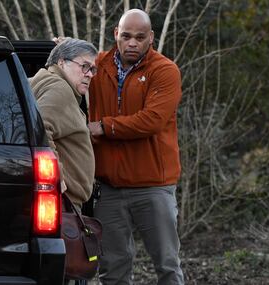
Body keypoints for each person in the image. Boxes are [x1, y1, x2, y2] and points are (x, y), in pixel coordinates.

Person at [87, 9, 184, 285]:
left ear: (150, 38)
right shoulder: (97, 65)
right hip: (108, 189)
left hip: (153, 186)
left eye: (140, 37)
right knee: (112, 270)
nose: (132, 43)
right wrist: (64, 52)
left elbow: (151, 121)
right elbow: (67, 73)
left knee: (167, 264)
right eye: (126, 36)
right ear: (116, 34)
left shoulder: (165, 71)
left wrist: (104, 127)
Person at [29, 38, 97, 211]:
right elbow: (39, 127)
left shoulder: (44, 81)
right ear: (61, 62)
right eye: (84, 66)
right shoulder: (60, 89)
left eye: (92, 69)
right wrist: (55, 174)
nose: (89, 74)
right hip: (62, 202)